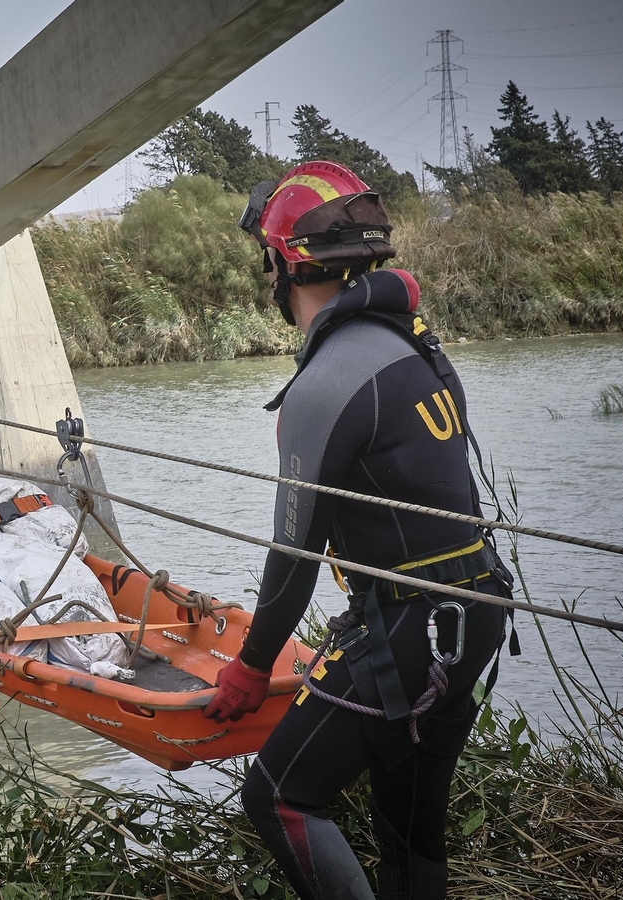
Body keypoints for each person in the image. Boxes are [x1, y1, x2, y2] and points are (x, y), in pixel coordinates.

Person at [204, 161, 516, 900]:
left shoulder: (325, 384)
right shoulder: (418, 349)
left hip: (408, 632)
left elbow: (293, 556)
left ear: (282, 266)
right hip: (475, 615)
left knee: (277, 796)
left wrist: (251, 668)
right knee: (409, 821)